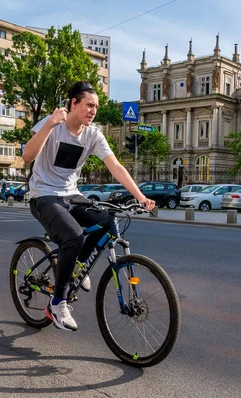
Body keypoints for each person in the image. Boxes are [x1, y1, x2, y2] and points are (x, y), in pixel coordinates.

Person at [24, 81, 155, 332]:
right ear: (73, 103)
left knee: (107, 220)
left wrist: (140, 196)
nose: (93, 110)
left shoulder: (92, 134)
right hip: (44, 196)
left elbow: (115, 166)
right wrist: (50, 123)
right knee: (73, 235)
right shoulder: (52, 124)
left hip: (71, 195)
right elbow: (28, 156)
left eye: (96, 106)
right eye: (89, 105)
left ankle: (77, 266)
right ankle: (57, 302)